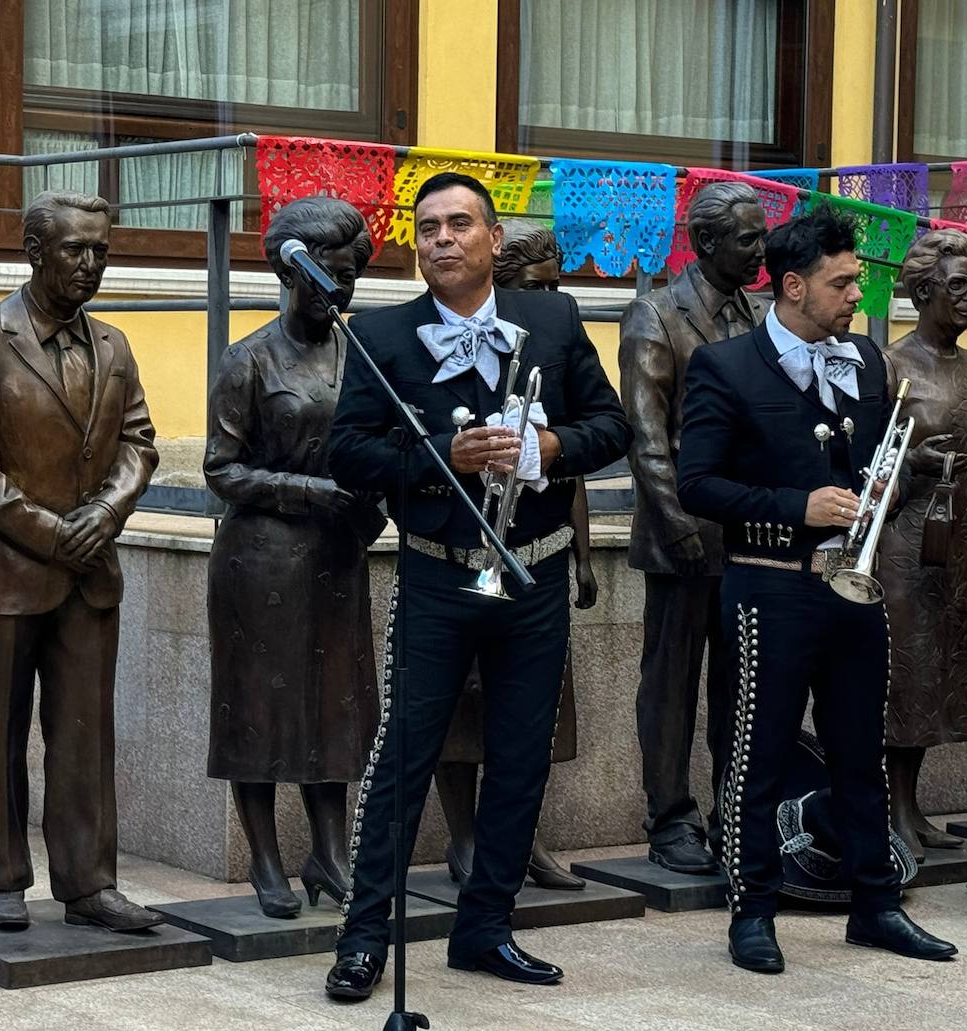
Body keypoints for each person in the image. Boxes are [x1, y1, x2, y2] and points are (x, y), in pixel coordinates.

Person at [324, 173, 630, 1000]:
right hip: (436, 570)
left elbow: (614, 427)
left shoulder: (554, 318)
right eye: (427, 228)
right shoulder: (380, 335)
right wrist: (440, 458)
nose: (443, 239)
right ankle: (364, 939)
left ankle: (485, 927)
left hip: (536, 573)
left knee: (522, 757)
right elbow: (347, 454)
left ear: (495, 239)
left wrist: (550, 447)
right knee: (404, 758)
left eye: (460, 224)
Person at [677, 209, 957, 973]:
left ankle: (875, 905)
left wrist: (887, 489)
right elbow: (695, 484)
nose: (855, 293)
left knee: (859, 753)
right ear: (792, 285)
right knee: (756, 756)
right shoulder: (725, 367)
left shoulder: (865, 360)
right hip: (769, 588)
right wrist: (792, 507)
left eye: (857, 278)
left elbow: (874, 470)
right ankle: (754, 910)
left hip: (853, 589)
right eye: (841, 281)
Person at [0, 191, 161, 932]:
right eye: (75, 250)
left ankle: (89, 882)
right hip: (6, 570)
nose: (92, 264)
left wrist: (105, 513)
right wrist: (49, 530)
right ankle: (1, 876)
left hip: (89, 570)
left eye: (101, 250)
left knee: (85, 732)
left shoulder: (116, 346)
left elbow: (140, 441)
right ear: (34, 252)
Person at [204, 196, 386, 918]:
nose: (339, 292)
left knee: (334, 709)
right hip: (262, 560)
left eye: (349, 276)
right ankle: (265, 861)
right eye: (326, 276)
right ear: (292, 271)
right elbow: (221, 469)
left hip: (337, 557)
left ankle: (330, 853)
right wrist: (307, 491)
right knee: (259, 711)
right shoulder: (247, 359)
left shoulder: (359, 351)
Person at [434, 218, 593, 893]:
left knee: (535, 709)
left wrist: (583, 558)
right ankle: (463, 837)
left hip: (538, 552)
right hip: (461, 552)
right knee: (461, 705)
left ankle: (520, 834)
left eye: (556, 283)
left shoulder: (557, 338)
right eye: (536, 284)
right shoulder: (449, 342)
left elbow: (576, 463)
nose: (550, 295)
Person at [620, 180, 771, 874]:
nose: (760, 250)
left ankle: (733, 805)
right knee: (671, 685)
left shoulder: (760, 314)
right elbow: (647, 436)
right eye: (748, 238)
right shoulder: (656, 315)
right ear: (706, 242)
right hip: (680, 535)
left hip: (747, 532)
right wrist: (678, 524)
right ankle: (670, 816)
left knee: (741, 684)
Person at [879, 228, 967, 860]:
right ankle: (890, 804)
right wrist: (912, 466)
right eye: (958, 286)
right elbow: (867, 466)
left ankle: (913, 801)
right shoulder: (891, 365)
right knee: (908, 672)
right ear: (924, 290)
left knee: (945, 675)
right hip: (906, 542)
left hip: (963, 544)